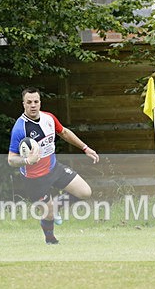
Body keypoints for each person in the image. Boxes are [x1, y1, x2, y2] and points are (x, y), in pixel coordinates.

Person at [7, 87, 99, 244]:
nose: (33, 105)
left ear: (40, 102)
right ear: (23, 104)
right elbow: (11, 160)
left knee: (85, 192)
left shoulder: (48, 118)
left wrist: (85, 148)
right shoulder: (20, 128)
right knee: (48, 214)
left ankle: (55, 206)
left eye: (36, 101)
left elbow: (64, 132)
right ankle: (50, 240)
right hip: (34, 179)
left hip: (54, 168)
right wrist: (27, 160)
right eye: (29, 102)